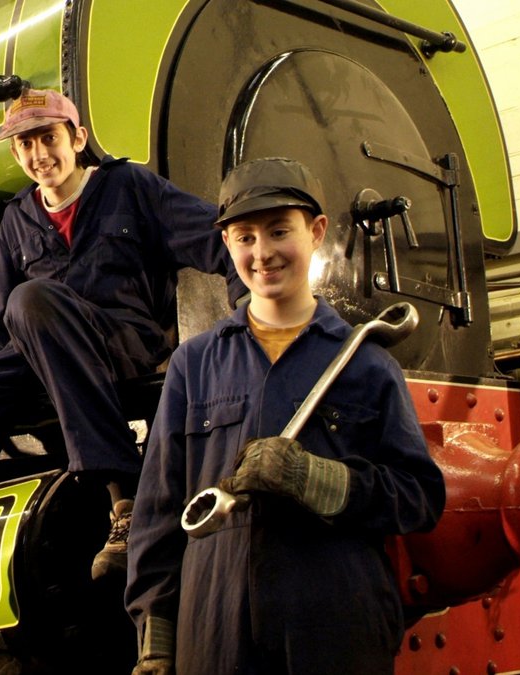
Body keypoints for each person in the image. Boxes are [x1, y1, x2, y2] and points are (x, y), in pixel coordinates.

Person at [0, 89, 239, 673]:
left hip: (119, 342)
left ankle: (125, 504)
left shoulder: (131, 188)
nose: (39, 155)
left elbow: (221, 241)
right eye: (25, 145)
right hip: (35, 351)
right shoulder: (16, 219)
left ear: (76, 138)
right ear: (16, 153)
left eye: (48, 139)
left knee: (35, 302)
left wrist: (248, 324)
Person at [123, 157, 446, 674]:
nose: (263, 252)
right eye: (245, 237)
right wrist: (157, 642)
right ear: (226, 244)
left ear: (316, 232)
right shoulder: (195, 364)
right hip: (214, 629)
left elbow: (419, 497)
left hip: (337, 623)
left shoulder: (368, 362)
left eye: (279, 231)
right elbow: (159, 515)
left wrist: (317, 479)